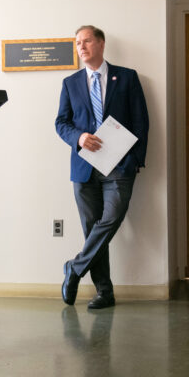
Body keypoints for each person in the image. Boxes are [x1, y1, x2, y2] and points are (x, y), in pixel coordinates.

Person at [55, 25, 149, 309]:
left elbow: (141, 120)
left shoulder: (127, 77)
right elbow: (61, 123)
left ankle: (74, 268)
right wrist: (80, 137)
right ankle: (104, 293)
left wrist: (135, 161)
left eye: (86, 41)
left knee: (110, 220)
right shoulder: (70, 83)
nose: (81, 47)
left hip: (119, 166)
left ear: (101, 44)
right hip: (84, 167)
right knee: (92, 229)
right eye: (77, 43)